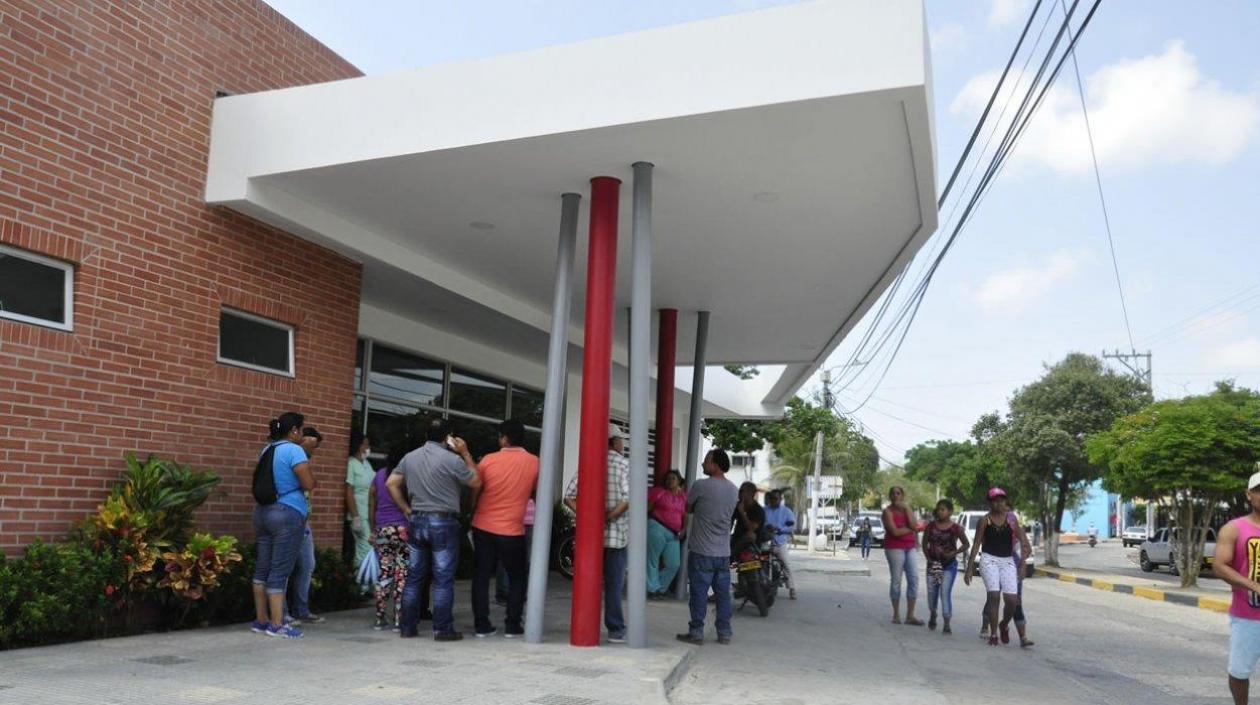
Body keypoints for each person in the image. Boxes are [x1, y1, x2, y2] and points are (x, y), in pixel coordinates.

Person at [388, 418, 481, 641]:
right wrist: (465, 453)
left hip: (417, 521)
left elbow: (391, 483)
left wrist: (406, 508)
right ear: (448, 437)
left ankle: (408, 627)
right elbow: (476, 482)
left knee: (414, 578)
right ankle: (442, 629)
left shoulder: (410, 457)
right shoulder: (453, 460)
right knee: (442, 579)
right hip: (443, 522)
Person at [469, 419, 539, 638]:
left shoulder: (488, 460)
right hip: (512, 529)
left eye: (500, 436)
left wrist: (471, 510)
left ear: (505, 438)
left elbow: (475, 488)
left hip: (483, 525)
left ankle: (482, 625)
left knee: (481, 576)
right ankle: (512, 624)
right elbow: (536, 491)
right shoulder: (535, 462)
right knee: (517, 576)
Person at [564, 424, 631, 643]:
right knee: (613, 584)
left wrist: (590, 518)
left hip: (590, 538)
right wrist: (608, 517)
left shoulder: (589, 461)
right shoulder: (623, 464)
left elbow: (569, 496)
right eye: (621, 440)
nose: (623, 444)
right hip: (616, 537)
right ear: (614, 442)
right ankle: (615, 629)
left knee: (588, 582)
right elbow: (627, 499)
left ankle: (583, 624)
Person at [250, 412, 314, 639]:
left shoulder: (267, 449)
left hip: (262, 512)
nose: (303, 434)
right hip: (287, 513)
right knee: (280, 570)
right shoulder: (294, 450)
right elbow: (307, 482)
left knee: (262, 569)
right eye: (301, 430)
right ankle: (278, 624)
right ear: (294, 431)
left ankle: (261, 620)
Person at [676, 449, 739, 646]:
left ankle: (696, 632)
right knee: (722, 596)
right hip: (723, 552)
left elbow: (688, 507)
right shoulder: (733, 489)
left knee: (698, 594)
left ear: (715, 464)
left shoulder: (701, 486)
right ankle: (724, 632)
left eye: (705, 461)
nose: (703, 465)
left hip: (702, 551)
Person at [1213, 467, 1260, 705]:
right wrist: (1252, 585)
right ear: (1248, 495)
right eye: (1258, 491)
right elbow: (1220, 565)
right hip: (1248, 617)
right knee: (1239, 672)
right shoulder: (1234, 528)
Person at [964, 487, 1032, 646]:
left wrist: (1022, 565)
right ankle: (993, 634)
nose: (999, 503)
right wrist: (969, 567)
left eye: (1001, 500)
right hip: (989, 560)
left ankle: (1004, 625)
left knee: (1012, 600)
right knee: (994, 596)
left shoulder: (1012, 520)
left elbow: (1024, 543)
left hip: (1008, 561)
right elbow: (976, 544)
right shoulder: (984, 520)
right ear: (989, 503)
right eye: (995, 500)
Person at [284, 427, 324, 626]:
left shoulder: (303, 460)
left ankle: (301, 609)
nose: (312, 451)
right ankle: (282, 613)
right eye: (312, 445)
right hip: (289, 516)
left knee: (308, 564)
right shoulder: (290, 456)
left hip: (303, 519)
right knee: (284, 566)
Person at [369, 443, 412, 630]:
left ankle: (379, 618)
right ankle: (398, 619)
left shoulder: (379, 475)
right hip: (403, 529)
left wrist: (373, 529)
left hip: (382, 529)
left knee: (385, 572)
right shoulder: (406, 476)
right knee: (402, 574)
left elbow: (372, 504)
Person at [921, 499, 968, 634]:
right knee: (932, 593)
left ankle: (947, 622)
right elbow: (924, 544)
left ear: (950, 511)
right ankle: (933, 613)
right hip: (933, 564)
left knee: (944, 593)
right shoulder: (931, 526)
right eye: (939, 509)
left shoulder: (956, 528)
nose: (940, 512)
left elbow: (966, 544)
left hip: (948, 565)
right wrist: (928, 558)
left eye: (943, 509)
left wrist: (954, 552)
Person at [882, 486, 922, 625]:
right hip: (894, 548)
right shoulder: (887, 512)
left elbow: (914, 525)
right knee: (896, 580)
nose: (895, 496)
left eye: (898, 493)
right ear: (890, 496)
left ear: (902, 495)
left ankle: (910, 615)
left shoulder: (907, 509)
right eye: (892, 493)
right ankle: (896, 614)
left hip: (909, 547)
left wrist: (906, 509)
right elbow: (895, 532)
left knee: (914, 579)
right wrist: (910, 528)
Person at [647, 470, 687, 599]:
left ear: (679, 481)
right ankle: (653, 589)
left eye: (673, 478)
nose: (670, 481)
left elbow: (685, 515)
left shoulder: (683, 496)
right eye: (668, 479)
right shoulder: (659, 492)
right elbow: (648, 507)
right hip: (657, 526)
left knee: (674, 563)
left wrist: (684, 529)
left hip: (674, 533)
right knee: (652, 559)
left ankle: (659, 587)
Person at [496, 498, 534, 606]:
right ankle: (506, 592)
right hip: (512, 518)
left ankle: (515, 592)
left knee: (522, 559)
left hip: (526, 518)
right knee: (507, 558)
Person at [345, 430, 375, 569]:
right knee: (365, 549)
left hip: (368, 514)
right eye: (366, 445)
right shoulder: (351, 463)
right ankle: (361, 586)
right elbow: (349, 491)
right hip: (358, 515)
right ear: (359, 446)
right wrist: (355, 516)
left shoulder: (367, 464)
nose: (368, 448)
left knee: (368, 549)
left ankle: (364, 585)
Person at [762, 490, 797, 600]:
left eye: (775, 498)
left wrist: (781, 529)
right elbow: (759, 523)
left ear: (780, 499)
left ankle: (792, 588)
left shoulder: (786, 511)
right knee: (759, 564)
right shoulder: (764, 510)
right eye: (771, 498)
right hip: (765, 542)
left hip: (779, 542)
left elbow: (792, 526)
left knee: (786, 564)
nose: (773, 501)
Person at [731, 481, 765, 556]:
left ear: (750, 493)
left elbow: (752, 528)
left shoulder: (758, 510)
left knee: (751, 535)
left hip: (751, 543)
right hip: (737, 537)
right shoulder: (738, 505)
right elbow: (730, 522)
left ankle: (732, 554)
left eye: (741, 491)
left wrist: (742, 513)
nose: (739, 493)